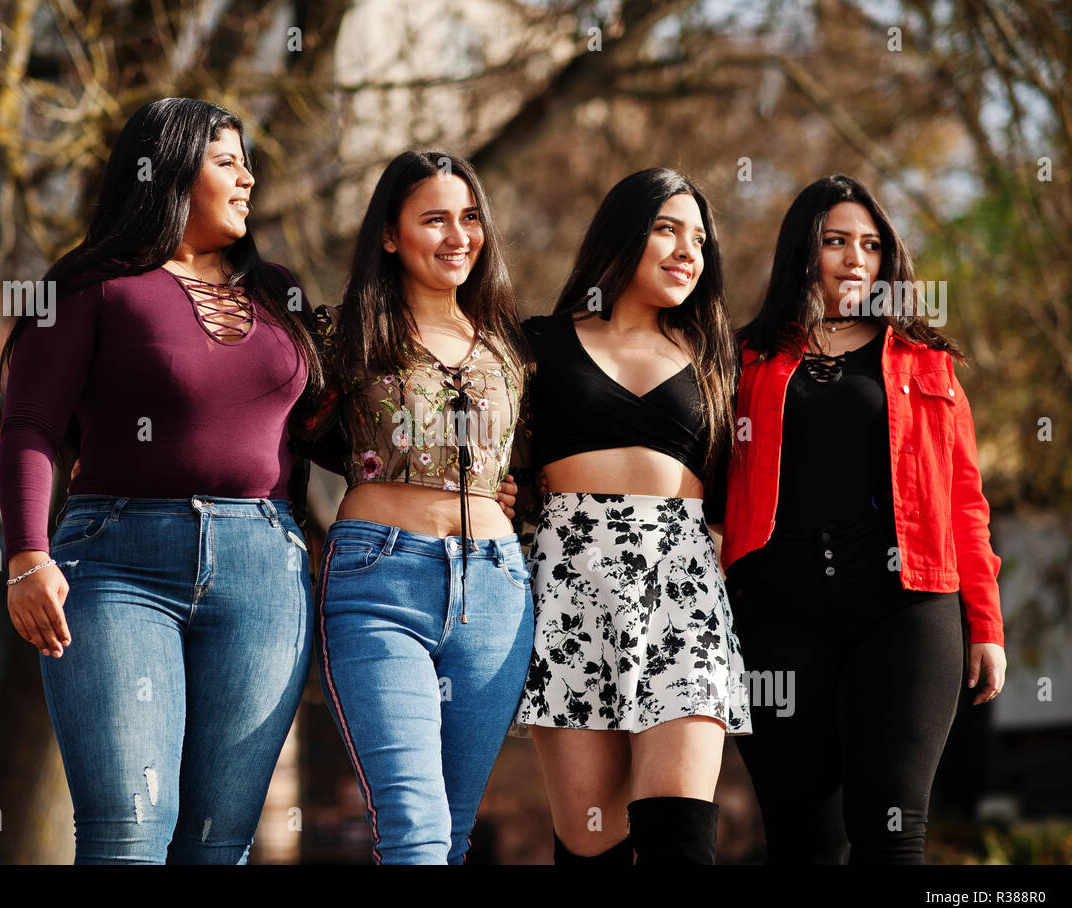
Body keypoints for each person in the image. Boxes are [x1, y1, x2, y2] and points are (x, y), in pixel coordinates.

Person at [0, 97, 321, 864]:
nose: (250, 178)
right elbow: (30, 424)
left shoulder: (279, 292)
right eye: (227, 161)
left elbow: (334, 424)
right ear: (171, 170)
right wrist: (26, 556)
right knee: (131, 830)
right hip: (117, 565)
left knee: (220, 843)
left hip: (265, 573)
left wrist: (465, 480)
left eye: (248, 162)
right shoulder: (92, 287)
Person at [722, 174, 1008, 864]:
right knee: (802, 841)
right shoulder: (745, 360)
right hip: (777, 614)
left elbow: (964, 500)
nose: (855, 258)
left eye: (870, 244)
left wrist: (986, 623)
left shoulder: (925, 361)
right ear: (804, 251)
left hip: (904, 606)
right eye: (836, 241)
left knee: (891, 830)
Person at [298, 150, 532, 864]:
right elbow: (268, 433)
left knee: (453, 835)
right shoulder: (340, 335)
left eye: (469, 218)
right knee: (416, 829)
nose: (458, 235)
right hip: (379, 583)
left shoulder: (509, 346)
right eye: (434, 219)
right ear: (391, 235)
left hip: (495, 593)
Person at [513, 168, 749, 865]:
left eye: (700, 239)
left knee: (679, 835)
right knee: (592, 844)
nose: (687, 251)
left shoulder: (717, 356)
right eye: (668, 229)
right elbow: (499, 454)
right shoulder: (538, 343)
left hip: (683, 590)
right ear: (623, 234)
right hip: (569, 591)